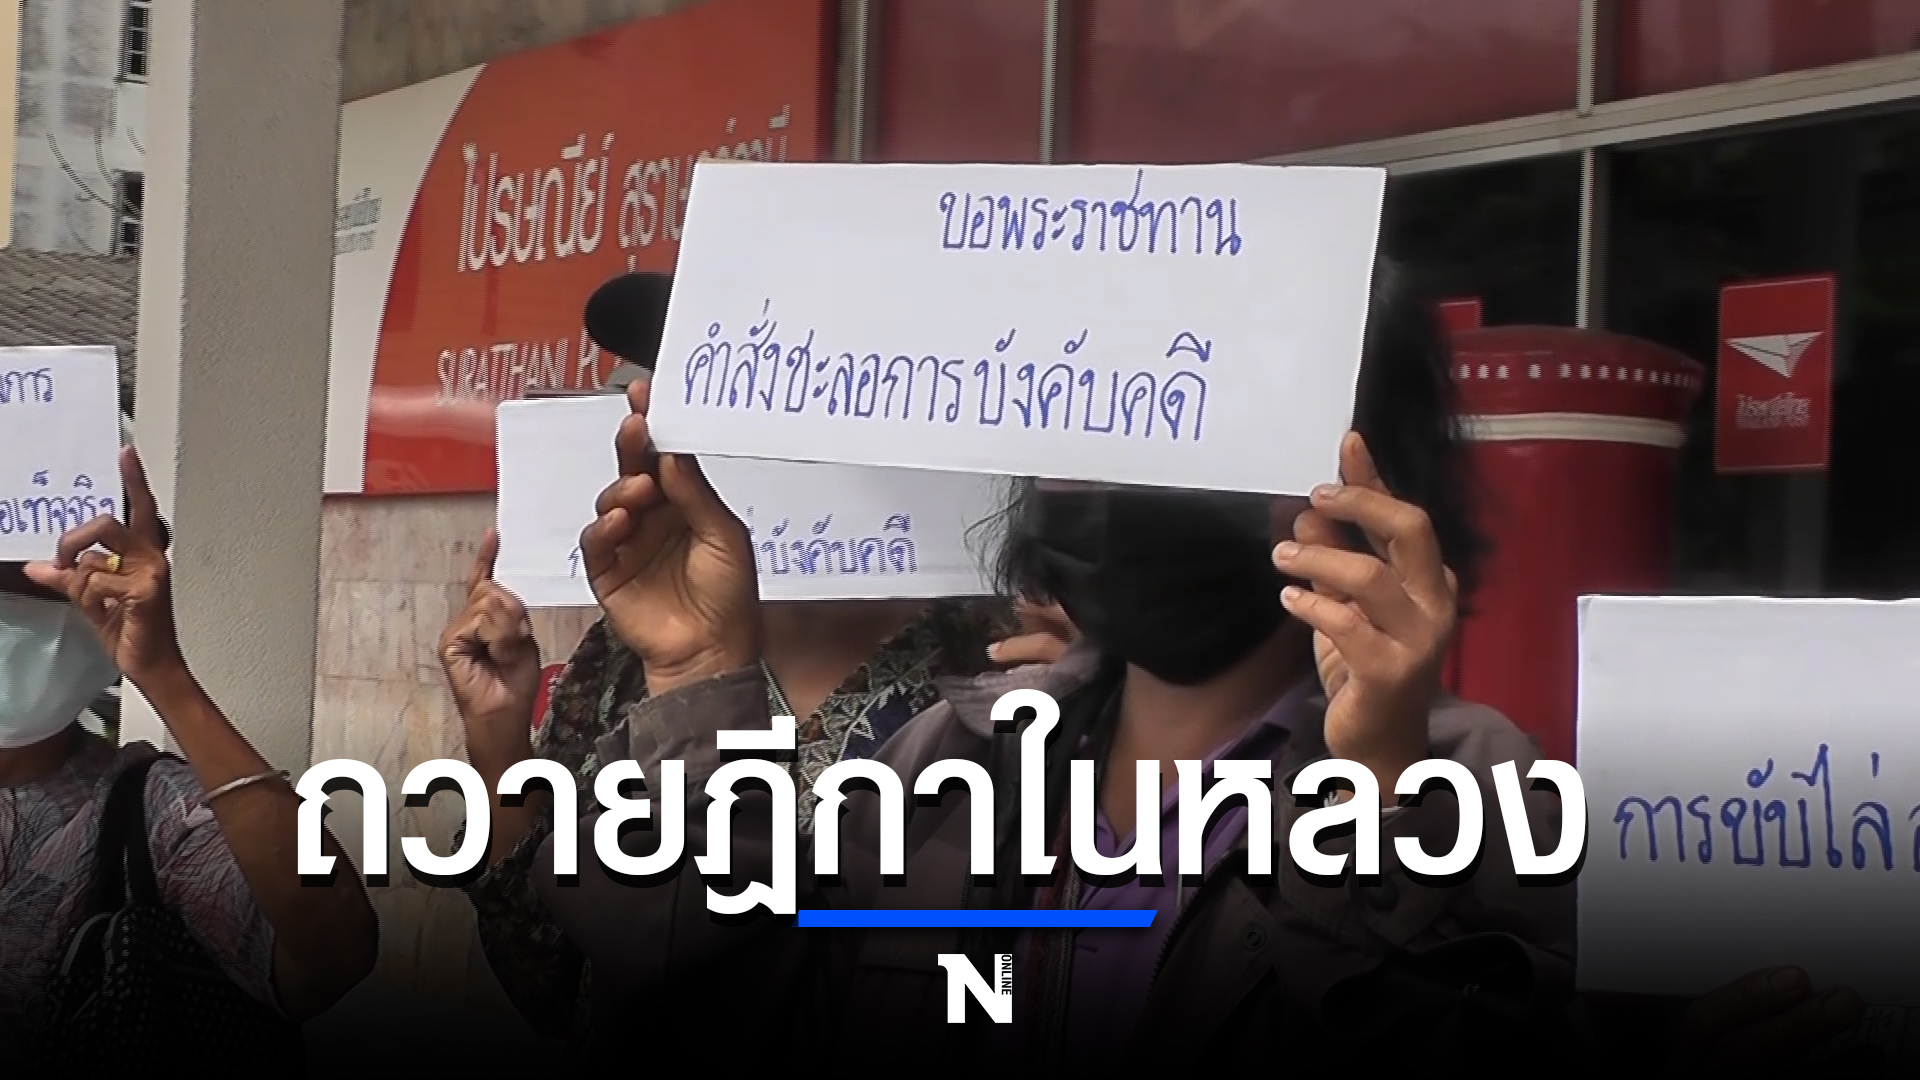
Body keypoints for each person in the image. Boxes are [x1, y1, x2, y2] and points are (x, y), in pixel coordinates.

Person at [513, 259, 1881, 1073]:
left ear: (1359, 476)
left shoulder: (1476, 788)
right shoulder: (949, 764)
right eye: (1106, 420)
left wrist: (1373, 787)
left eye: (1200, 427)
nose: (1138, 478)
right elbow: (719, 1015)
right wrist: (703, 679)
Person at [444, 271, 1021, 1048]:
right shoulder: (622, 658)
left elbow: (1019, 977)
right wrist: (499, 743)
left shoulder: (999, 669)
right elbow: (553, 974)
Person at [0, 448, 378, 1058]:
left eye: (51, 582)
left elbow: (334, 955)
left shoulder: (151, 810)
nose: (17, 605)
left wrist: (165, 676)